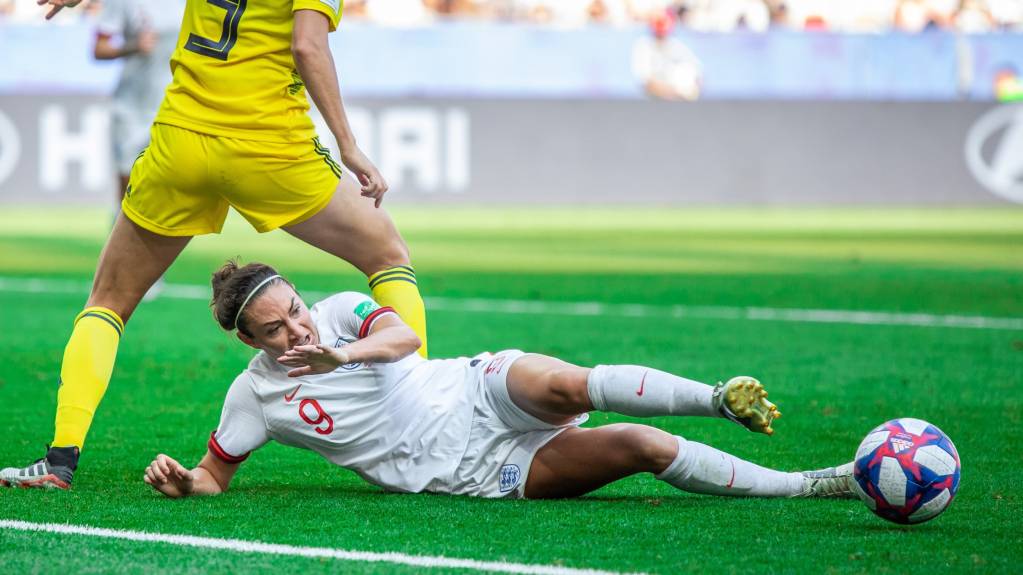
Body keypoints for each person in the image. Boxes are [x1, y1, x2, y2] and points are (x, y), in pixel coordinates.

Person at [2, 0, 430, 489]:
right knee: (387, 256)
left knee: (107, 304)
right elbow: (307, 46)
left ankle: (59, 461)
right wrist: (349, 145)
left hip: (182, 142)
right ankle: (420, 415)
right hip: (268, 145)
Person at [113, 262, 853, 501]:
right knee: (641, 446)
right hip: (468, 467)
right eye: (275, 329)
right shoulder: (255, 397)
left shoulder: (339, 313)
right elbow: (215, 473)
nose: (297, 330)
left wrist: (344, 354)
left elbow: (404, 337)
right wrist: (184, 481)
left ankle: (715, 398)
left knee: (568, 384)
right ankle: (809, 485)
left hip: (471, 387)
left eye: (295, 311)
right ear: (248, 340)